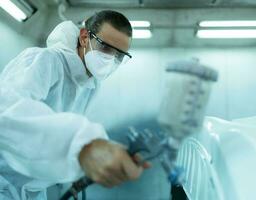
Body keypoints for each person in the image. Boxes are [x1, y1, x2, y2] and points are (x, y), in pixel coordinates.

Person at [0, 10, 150, 199]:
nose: (110, 59)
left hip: (33, 188)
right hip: (5, 182)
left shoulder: (89, 85)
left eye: (119, 55)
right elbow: (6, 110)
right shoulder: (45, 60)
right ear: (85, 37)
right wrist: (83, 146)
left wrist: (108, 151)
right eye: (105, 47)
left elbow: (56, 128)